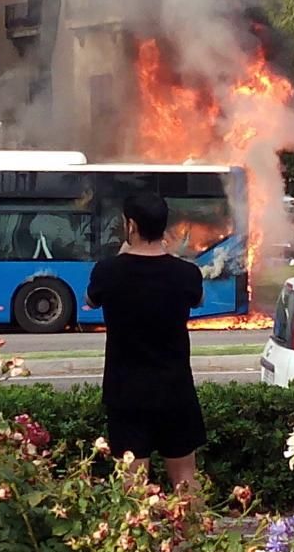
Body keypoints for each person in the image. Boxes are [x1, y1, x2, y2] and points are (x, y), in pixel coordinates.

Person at [85, 192, 206, 490]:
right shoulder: (185, 273)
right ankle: (193, 536)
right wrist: (172, 258)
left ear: (131, 226)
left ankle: (138, 537)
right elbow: (198, 299)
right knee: (185, 479)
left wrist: (122, 254)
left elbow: (90, 300)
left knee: (132, 482)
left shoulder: (108, 271)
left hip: (126, 393)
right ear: (164, 228)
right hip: (175, 390)